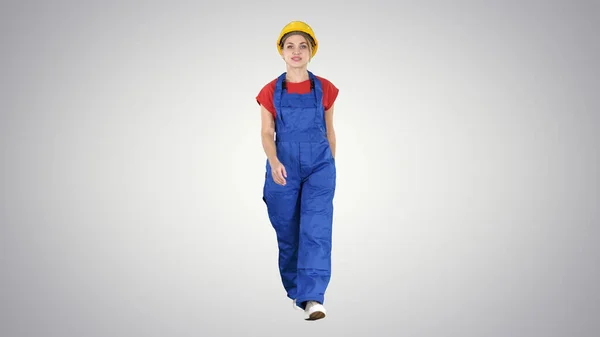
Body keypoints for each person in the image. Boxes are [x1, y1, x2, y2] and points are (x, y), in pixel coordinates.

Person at [256, 21, 339, 321]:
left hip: (319, 165)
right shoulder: (269, 91)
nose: (296, 51)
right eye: (290, 46)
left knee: (316, 230)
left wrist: (329, 163)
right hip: (284, 165)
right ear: (281, 51)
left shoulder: (326, 89)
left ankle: (313, 297)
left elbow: (330, 132)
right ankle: (297, 291)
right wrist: (274, 160)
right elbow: (267, 133)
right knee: (289, 231)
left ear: (311, 51)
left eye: (303, 46)